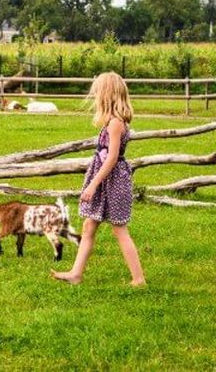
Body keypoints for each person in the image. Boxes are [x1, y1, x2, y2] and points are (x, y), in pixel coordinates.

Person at [52, 72, 146, 287]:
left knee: (119, 229)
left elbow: (112, 157)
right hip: (105, 178)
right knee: (89, 226)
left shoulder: (115, 124)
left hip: (111, 181)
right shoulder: (111, 122)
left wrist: (93, 184)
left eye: (97, 93)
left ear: (107, 95)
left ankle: (139, 279)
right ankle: (76, 274)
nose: (94, 97)